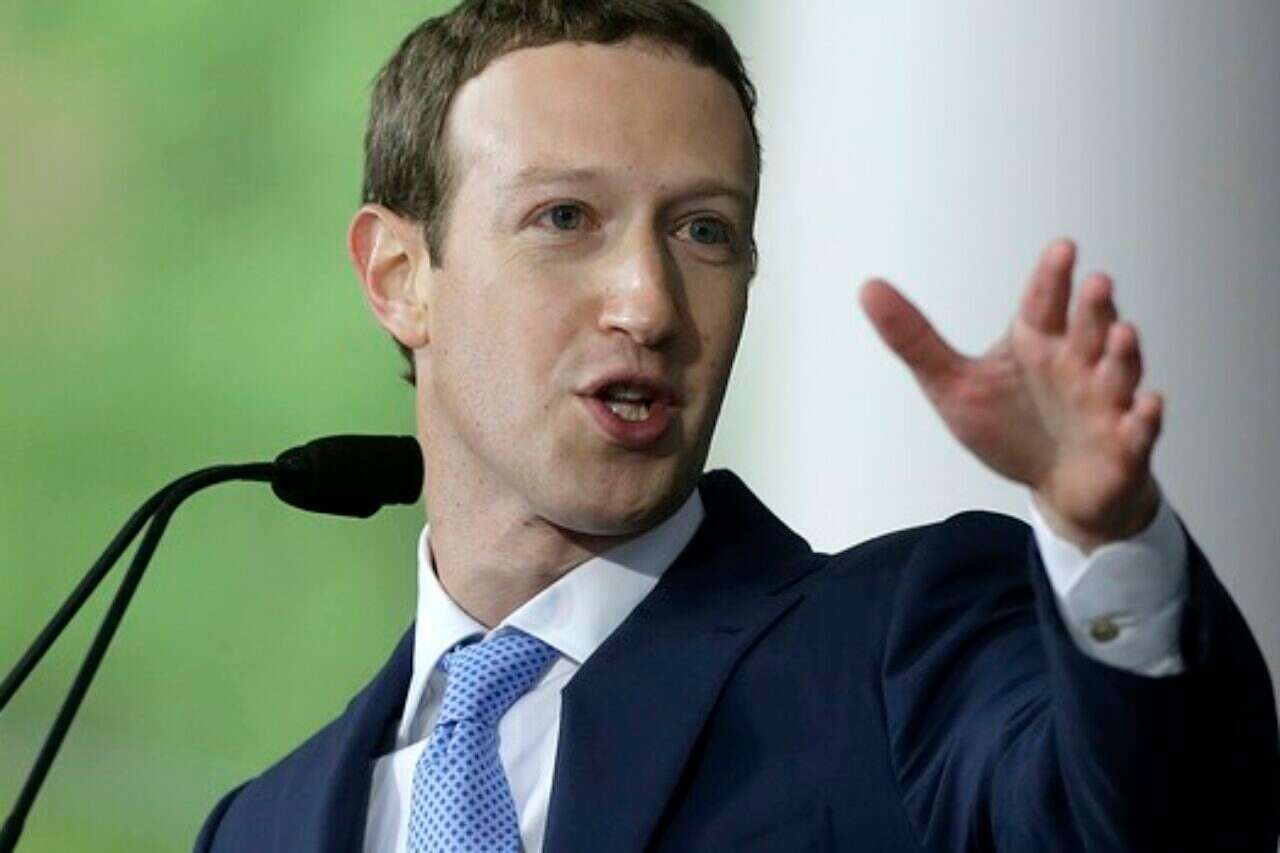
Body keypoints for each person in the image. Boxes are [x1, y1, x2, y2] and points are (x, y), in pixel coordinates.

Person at [195, 1, 1279, 850]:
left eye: (704, 231)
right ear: (399, 275)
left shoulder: (903, 651)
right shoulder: (257, 827)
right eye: (565, 217)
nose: (649, 303)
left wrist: (1109, 536)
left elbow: (1153, 826)